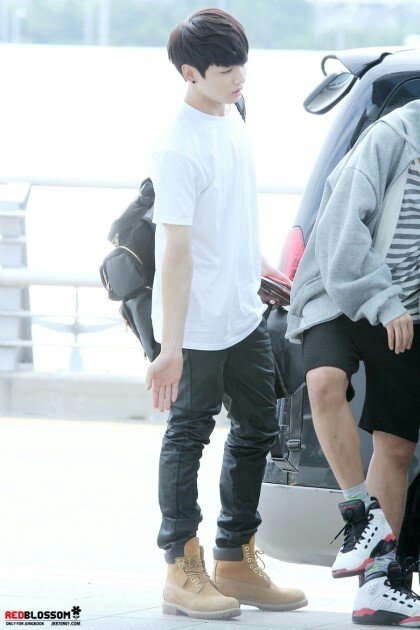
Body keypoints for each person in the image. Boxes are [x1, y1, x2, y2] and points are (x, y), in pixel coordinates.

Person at [145, 7, 307, 621]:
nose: (240, 79)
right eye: (226, 71)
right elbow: (176, 251)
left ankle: (235, 559)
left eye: (243, 66)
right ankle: (180, 569)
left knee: (260, 427)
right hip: (196, 325)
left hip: (242, 312)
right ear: (190, 73)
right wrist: (170, 348)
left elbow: (233, 213)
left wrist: (262, 270)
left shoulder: (233, 114)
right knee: (188, 435)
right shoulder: (176, 146)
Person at [286, 99, 420, 626]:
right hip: (340, 292)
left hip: (407, 309)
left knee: (397, 444)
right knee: (324, 380)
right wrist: (381, 301)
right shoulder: (392, 136)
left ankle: (380, 587)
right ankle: (359, 513)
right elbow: (343, 232)